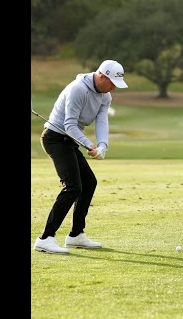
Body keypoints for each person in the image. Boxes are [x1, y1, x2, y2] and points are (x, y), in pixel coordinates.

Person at [33, 59, 128, 254]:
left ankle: (76, 235)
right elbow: (69, 125)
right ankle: (45, 238)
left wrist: (102, 146)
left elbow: (102, 122)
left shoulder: (105, 95)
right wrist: (88, 144)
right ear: (101, 75)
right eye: (111, 83)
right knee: (73, 187)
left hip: (69, 140)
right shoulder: (78, 89)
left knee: (89, 183)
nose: (113, 88)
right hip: (55, 138)